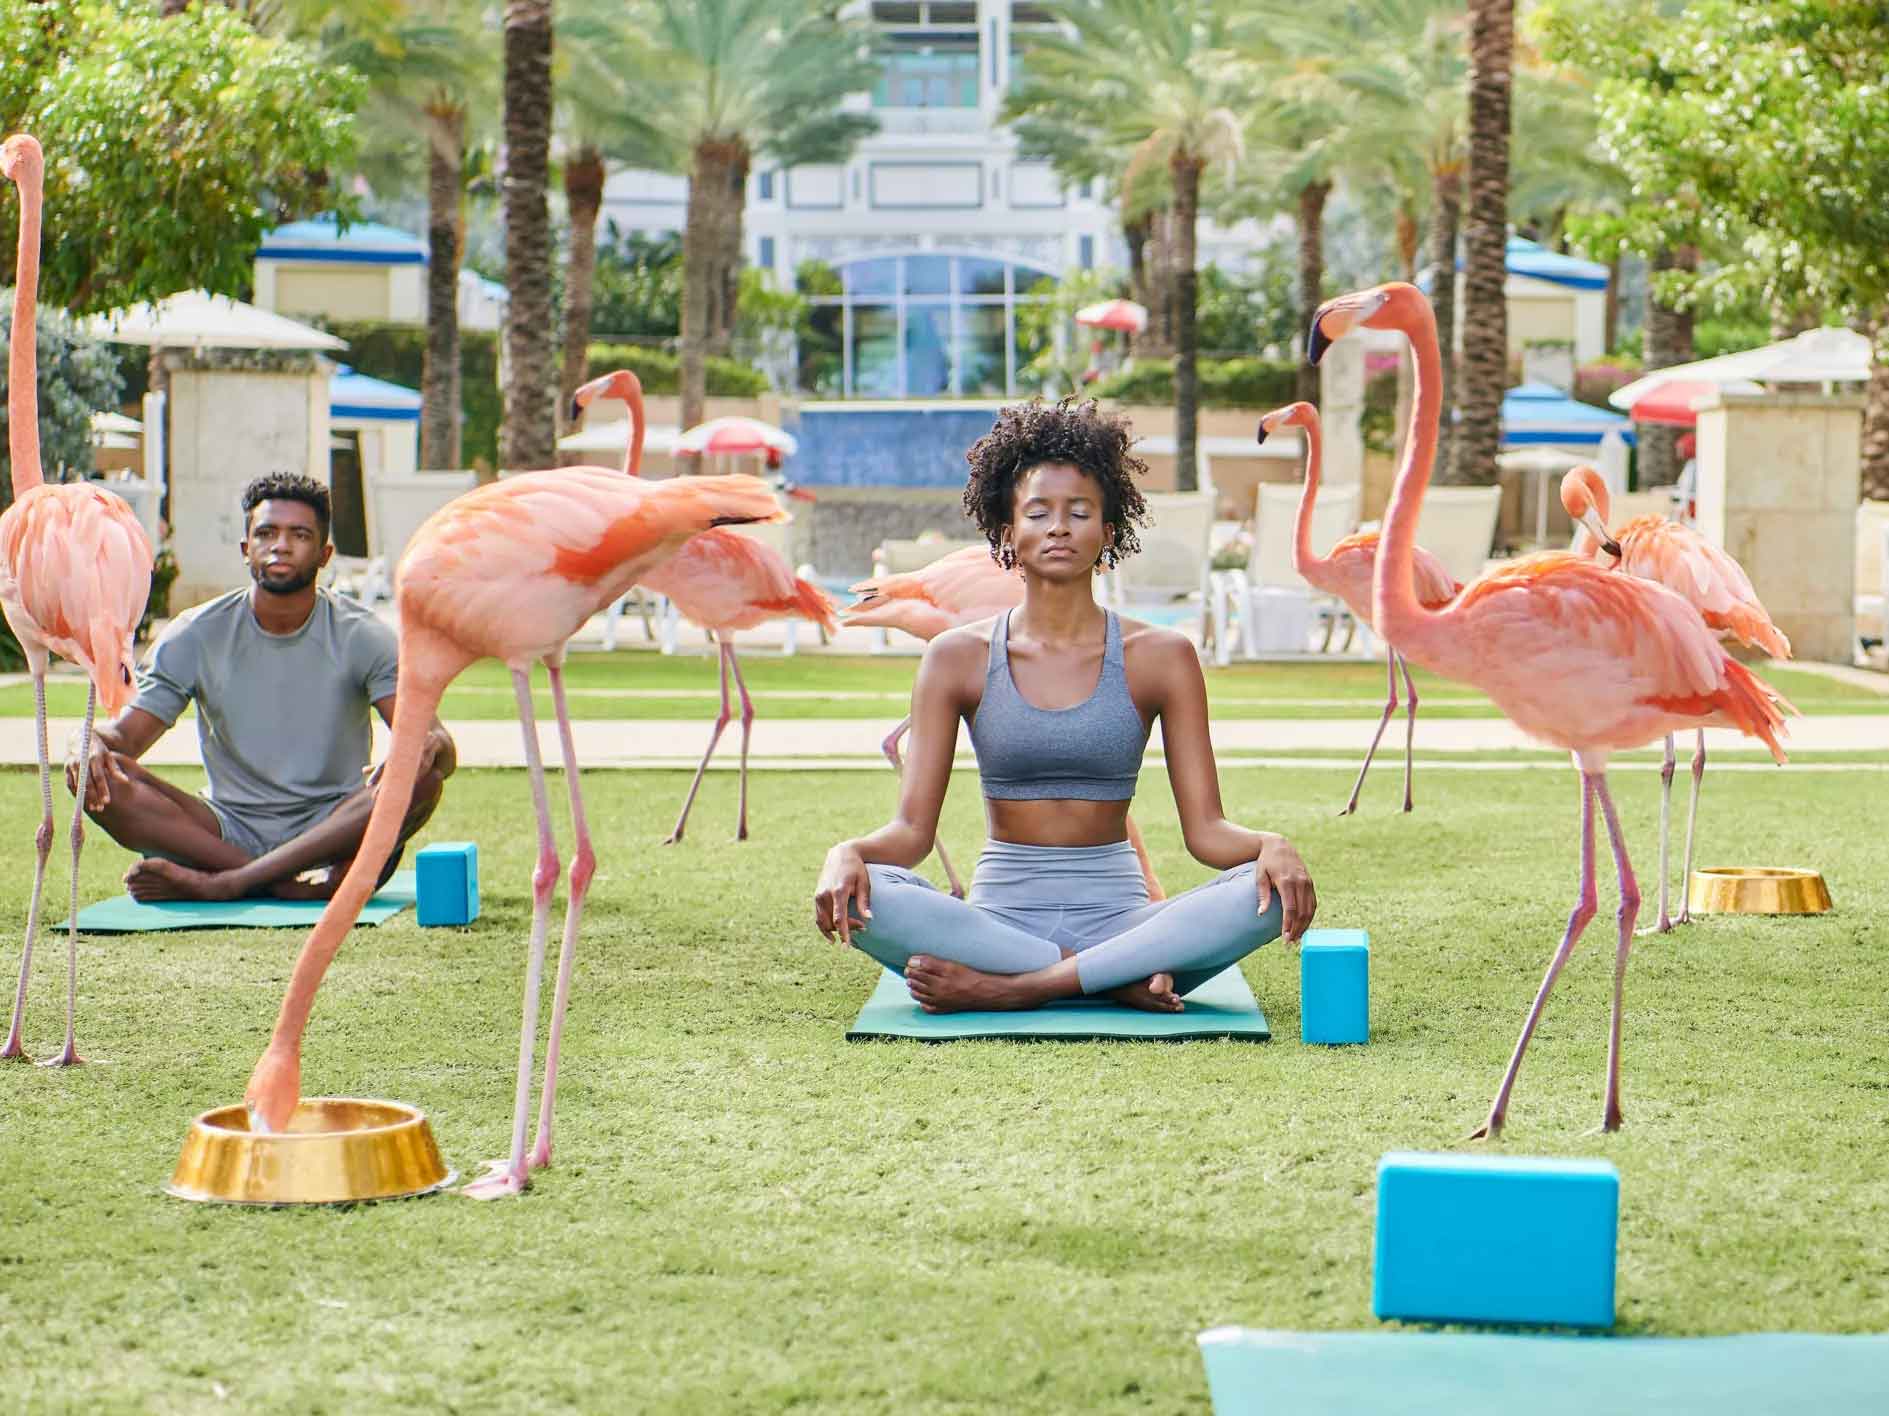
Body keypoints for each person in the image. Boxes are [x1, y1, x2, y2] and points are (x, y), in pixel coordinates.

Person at [812, 400, 1317, 1013]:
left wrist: (1271, 844)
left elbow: (1207, 834)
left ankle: (1018, 990)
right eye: (1038, 513)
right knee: (874, 895)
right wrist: (848, 852)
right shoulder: (955, 658)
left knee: (1256, 896)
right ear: (1007, 534)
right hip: (997, 925)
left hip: (1123, 920)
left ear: (1107, 535)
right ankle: (1108, 979)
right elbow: (911, 836)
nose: (1058, 527)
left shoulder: (1162, 656)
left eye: (1080, 513)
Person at [68, 474, 456, 901]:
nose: (281, 545)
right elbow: (124, 739)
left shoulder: (361, 634)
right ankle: (285, 885)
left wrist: (428, 744)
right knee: (98, 777)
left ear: (324, 554)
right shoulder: (196, 633)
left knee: (423, 780)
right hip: (224, 829)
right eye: (267, 532)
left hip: (333, 829)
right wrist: (86, 743)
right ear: (245, 548)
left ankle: (231, 882)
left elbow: (438, 744)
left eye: (300, 534)